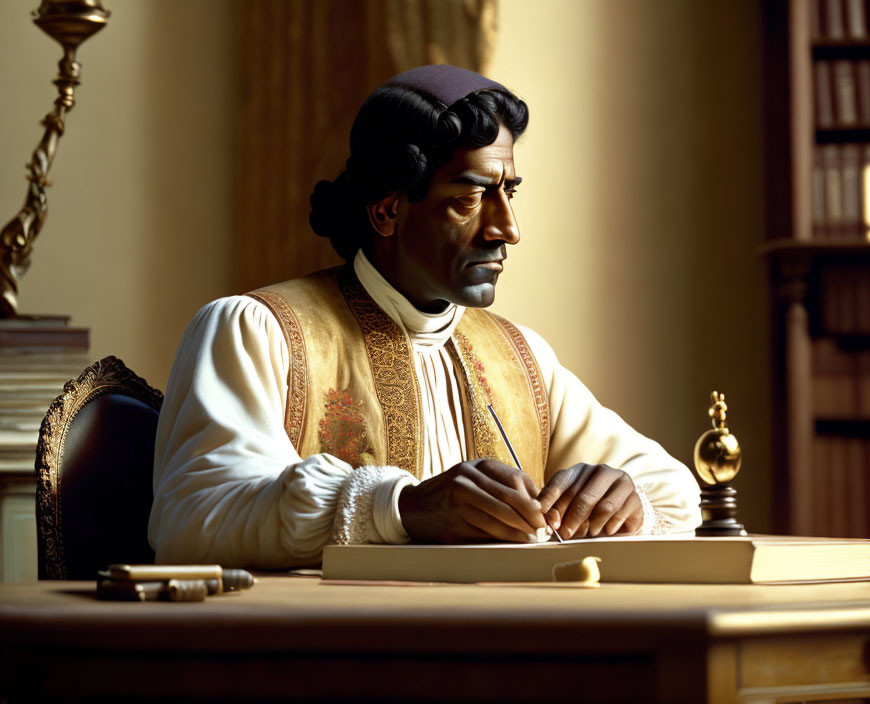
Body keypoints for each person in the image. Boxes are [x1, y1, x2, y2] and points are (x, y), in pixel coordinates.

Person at [149, 65, 700, 567]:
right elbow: (193, 516)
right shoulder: (256, 329)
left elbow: (675, 493)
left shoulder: (520, 356)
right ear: (388, 209)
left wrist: (622, 496)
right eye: (473, 196)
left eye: (509, 192)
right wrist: (401, 507)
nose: (507, 228)